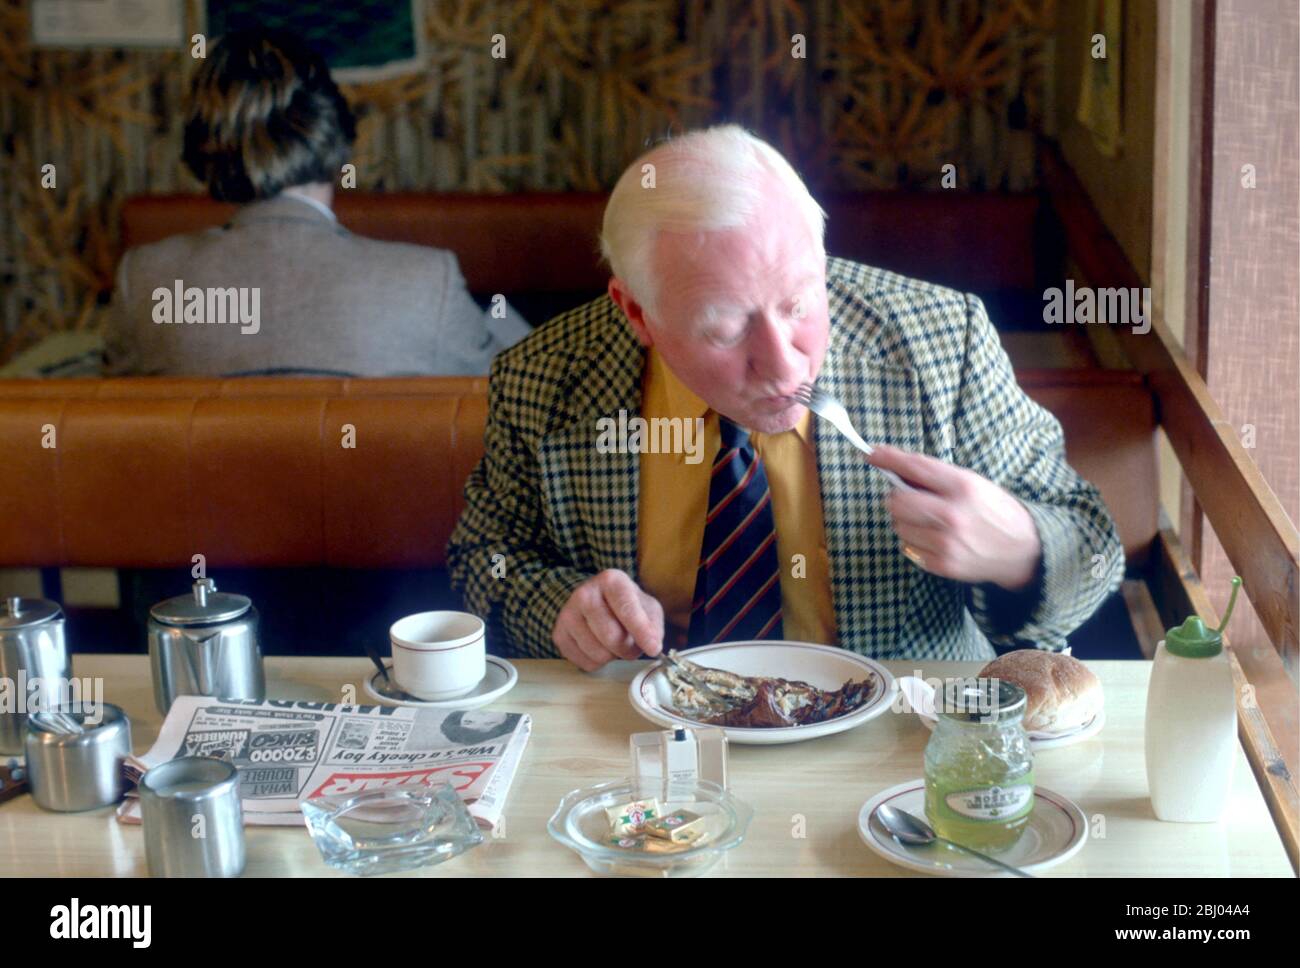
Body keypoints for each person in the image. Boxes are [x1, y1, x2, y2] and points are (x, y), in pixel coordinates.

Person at [448, 125, 1124, 668]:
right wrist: (560, 606)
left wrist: (1023, 551)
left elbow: (1093, 547)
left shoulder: (944, 342)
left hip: (895, 739)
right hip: (655, 743)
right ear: (636, 314)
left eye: (800, 302)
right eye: (723, 326)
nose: (781, 363)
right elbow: (484, 559)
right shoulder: (544, 377)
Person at [105, 30, 528, 377]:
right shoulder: (426, 284)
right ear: (339, 137)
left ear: (204, 152)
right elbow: (521, 393)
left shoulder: (143, 279)